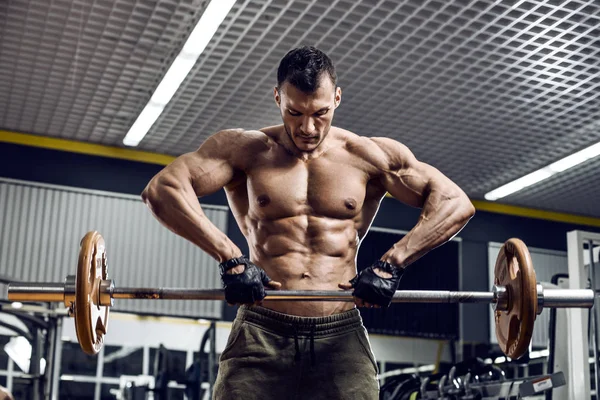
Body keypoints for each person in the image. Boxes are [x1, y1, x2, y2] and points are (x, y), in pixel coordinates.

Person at [141, 46, 475, 400]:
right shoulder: (245, 150)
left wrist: (392, 263)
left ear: (338, 98)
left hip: (340, 334)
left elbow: (455, 204)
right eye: (294, 112)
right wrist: (230, 258)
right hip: (260, 331)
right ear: (277, 97)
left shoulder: (367, 156)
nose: (307, 127)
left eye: (321, 112)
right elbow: (162, 190)